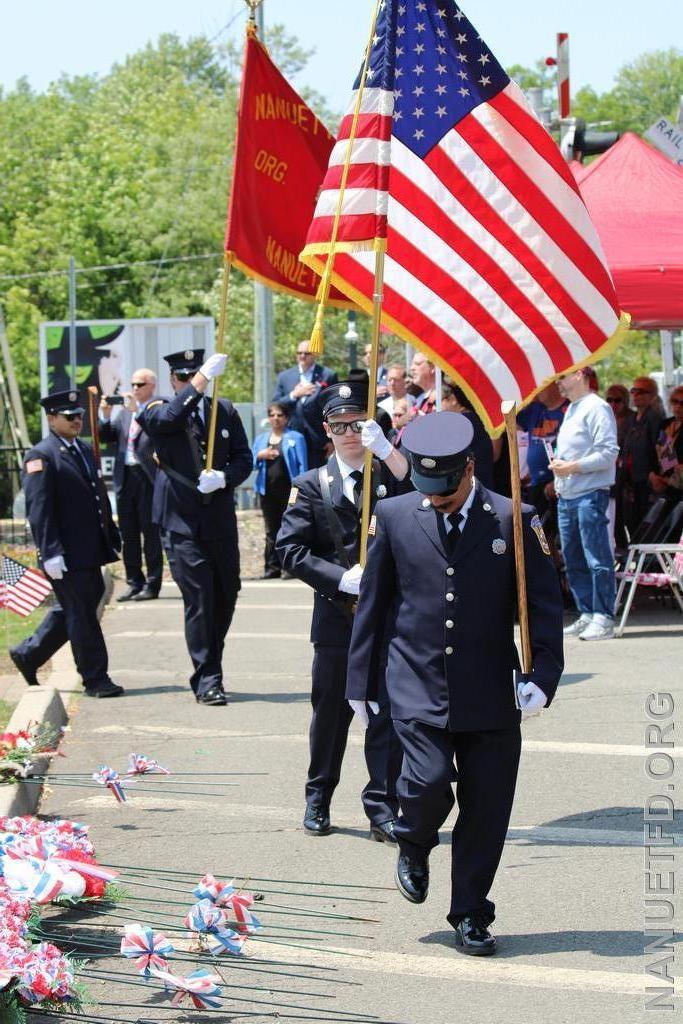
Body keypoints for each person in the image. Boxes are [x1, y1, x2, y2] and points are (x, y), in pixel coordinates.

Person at [346, 412, 563, 955]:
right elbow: (373, 604)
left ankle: (470, 911)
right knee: (426, 782)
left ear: (469, 469)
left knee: (487, 808)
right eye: (427, 490)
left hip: (489, 685)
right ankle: (413, 839)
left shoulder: (515, 517)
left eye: (445, 491)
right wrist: (360, 679)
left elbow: (542, 607)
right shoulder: (395, 515)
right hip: (415, 680)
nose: (436, 501)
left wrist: (542, 675)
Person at [276, 375, 410, 842]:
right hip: (337, 618)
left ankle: (384, 807)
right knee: (331, 717)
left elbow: (425, 494)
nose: (351, 435)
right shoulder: (311, 485)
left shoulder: (391, 477)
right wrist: (337, 577)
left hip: (390, 621)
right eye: (340, 426)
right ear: (326, 432)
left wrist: (390, 451)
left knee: (387, 716)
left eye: (360, 425)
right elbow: (288, 549)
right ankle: (318, 795)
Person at [138, 349, 252, 706]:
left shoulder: (225, 410)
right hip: (180, 521)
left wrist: (224, 477)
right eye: (183, 378)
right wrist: (200, 380)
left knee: (227, 593)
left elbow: (244, 458)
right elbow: (172, 417)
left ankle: (209, 663)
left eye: (195, 376)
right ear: (174, 381)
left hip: (218, 517)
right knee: (200, 599)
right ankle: (208, 678)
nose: (189, 382)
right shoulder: (157, 409)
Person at [10, 390, 124, 698]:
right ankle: (96, 678)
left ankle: (29, 654)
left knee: (80, 606)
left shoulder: (82, 450)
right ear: (51, 419)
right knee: (82, 614)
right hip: (64, 552)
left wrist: (110, 532)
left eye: (79, 416)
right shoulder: (41, 455)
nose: (77, 421)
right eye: (69, 417)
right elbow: (40, 508)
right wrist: (50, 553)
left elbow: (98, 493)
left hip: (89, 548)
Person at [549, 366, 619, 641]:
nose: (559, 385)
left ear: (580, 374)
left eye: (562, 378)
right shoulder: (575, 408)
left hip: (589, 493)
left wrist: (572, 467)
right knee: (575, 557)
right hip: (570, 494)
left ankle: (603, 616)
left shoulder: (596, 407)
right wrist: (564, 468)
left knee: (596, 556)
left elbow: (608, 452)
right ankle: (589, 612)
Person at [99, 369, 162, 602]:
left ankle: (153, 584)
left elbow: (159, 431)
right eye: (133, 384)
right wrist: (105, 415)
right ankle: (134, 581)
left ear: (151, 385)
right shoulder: (125, 414)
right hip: (125, 477)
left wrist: (139, 411)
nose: (135, 388)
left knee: (150, 533)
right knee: (129, 534)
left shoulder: (158, 406)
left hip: (146, 476)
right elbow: (108, 436)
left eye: (140, 383)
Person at [252, 402, 308, 579]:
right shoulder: (261, 439)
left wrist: (301, 490)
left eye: (280, 415)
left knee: (289, 529)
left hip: (289, 491)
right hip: (266, 491)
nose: (276, 418)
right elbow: (251, 462)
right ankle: (271, 567)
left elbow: (302, 466)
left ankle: (289, 567)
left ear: (286, 418)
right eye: (272, 415)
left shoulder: (296, 437)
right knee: (271, 530)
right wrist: (260, 455)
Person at [272, 341, 338, 468]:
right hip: (291, 437)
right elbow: (275, 405)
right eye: (299, 353)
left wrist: (332, 440)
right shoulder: (284, 377)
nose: (302, 356)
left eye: (306, 353)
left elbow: (333, 408)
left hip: (319, 441)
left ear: (314, 354)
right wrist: (294, 395)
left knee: (317, 480)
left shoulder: (328, 375)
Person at [621, 376, 663, 536]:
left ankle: (647, 559)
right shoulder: (631, 419)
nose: (636, 395)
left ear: (652, 395)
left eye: (641, 391)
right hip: (631, 480)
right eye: (633, 391)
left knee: (647, 522)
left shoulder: (655, 418)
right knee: (631, 520)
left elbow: (661, 450)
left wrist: (656, 473)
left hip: (648, 480)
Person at [440, 381, 495, 489]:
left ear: (453, 399)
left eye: (441, 400)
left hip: (474, 487)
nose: (438, 406)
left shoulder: (465, 421)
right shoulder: (472, 418)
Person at [605, 384, 634, 551]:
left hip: (628, 478)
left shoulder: (631, 419)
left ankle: (628, 551)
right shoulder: (605, 418)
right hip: (611, 477)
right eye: (609, 400)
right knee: (614, 521)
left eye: (617, 400)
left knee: (628, 519)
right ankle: (620, 550)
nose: (613, 404)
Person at [650, 385, 683, 509]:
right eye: (675, 401)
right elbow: (658, 453)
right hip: (664, 485)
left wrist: (668, 480)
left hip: (678, 485)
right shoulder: (666, 424)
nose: (678, 406)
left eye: (682, 403)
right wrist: (653, 474)